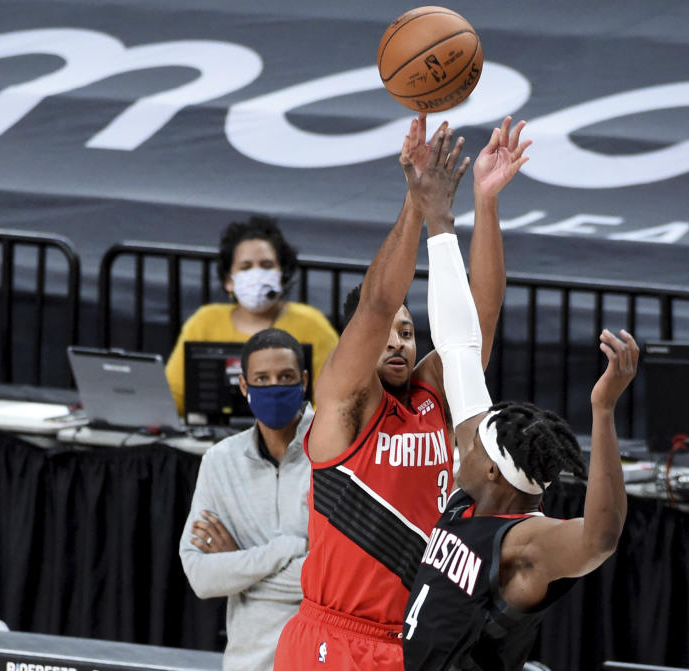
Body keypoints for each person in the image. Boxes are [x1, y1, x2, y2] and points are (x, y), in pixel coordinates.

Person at [273, 114, 531, 671]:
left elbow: (478, 316)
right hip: (336, 639)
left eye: (408, 333)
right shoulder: (345, 406)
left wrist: (486, 202)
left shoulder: (432, 397)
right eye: (389, 334)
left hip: (417, 641)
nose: (398, 343)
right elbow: (375, 304)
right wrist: (418, 201)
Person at [400, 205, 639, 670]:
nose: (462, 446)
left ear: (492, 468)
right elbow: (460, 350)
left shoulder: (523, 542)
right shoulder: (470, 499)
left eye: (473, 447)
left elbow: (601, 538)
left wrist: (603, 410)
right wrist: (455, 215)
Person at [179, 328, 313, 671]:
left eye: (285, 377)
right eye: (261, 379)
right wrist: (285, 550)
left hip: (319, 659)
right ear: (243, 386)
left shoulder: (335, 452)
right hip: (246, 663)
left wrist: (239, 567)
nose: (274, 387)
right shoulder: (220, 460)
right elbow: (201, 577)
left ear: (304, 381)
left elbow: (336, 578)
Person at [165, 215, 339, 414]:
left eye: (266, 265)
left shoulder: (312, 325)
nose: (257, 276)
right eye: (246, 267)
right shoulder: (204, 321)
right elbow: (173, 395)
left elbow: (335, 397)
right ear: (228, 280)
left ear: (282, 275)